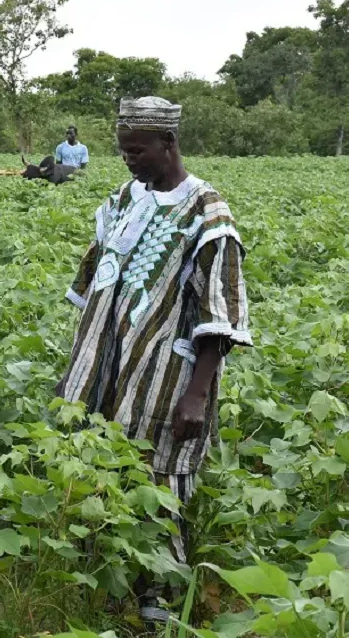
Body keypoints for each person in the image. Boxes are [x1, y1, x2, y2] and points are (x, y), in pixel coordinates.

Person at [58, 97, 251, 629]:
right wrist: (79, 363)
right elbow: (98, 275)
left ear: (169, 144)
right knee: (103, 461)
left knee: (158, 471)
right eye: (123, 150)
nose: (129, 160)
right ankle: (114, 575)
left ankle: (159, 595)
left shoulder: (207, 213)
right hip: (106, 360)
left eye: (136, 150)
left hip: (167, 370)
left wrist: (197, 393)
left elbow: (220, 313)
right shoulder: (125, 198)